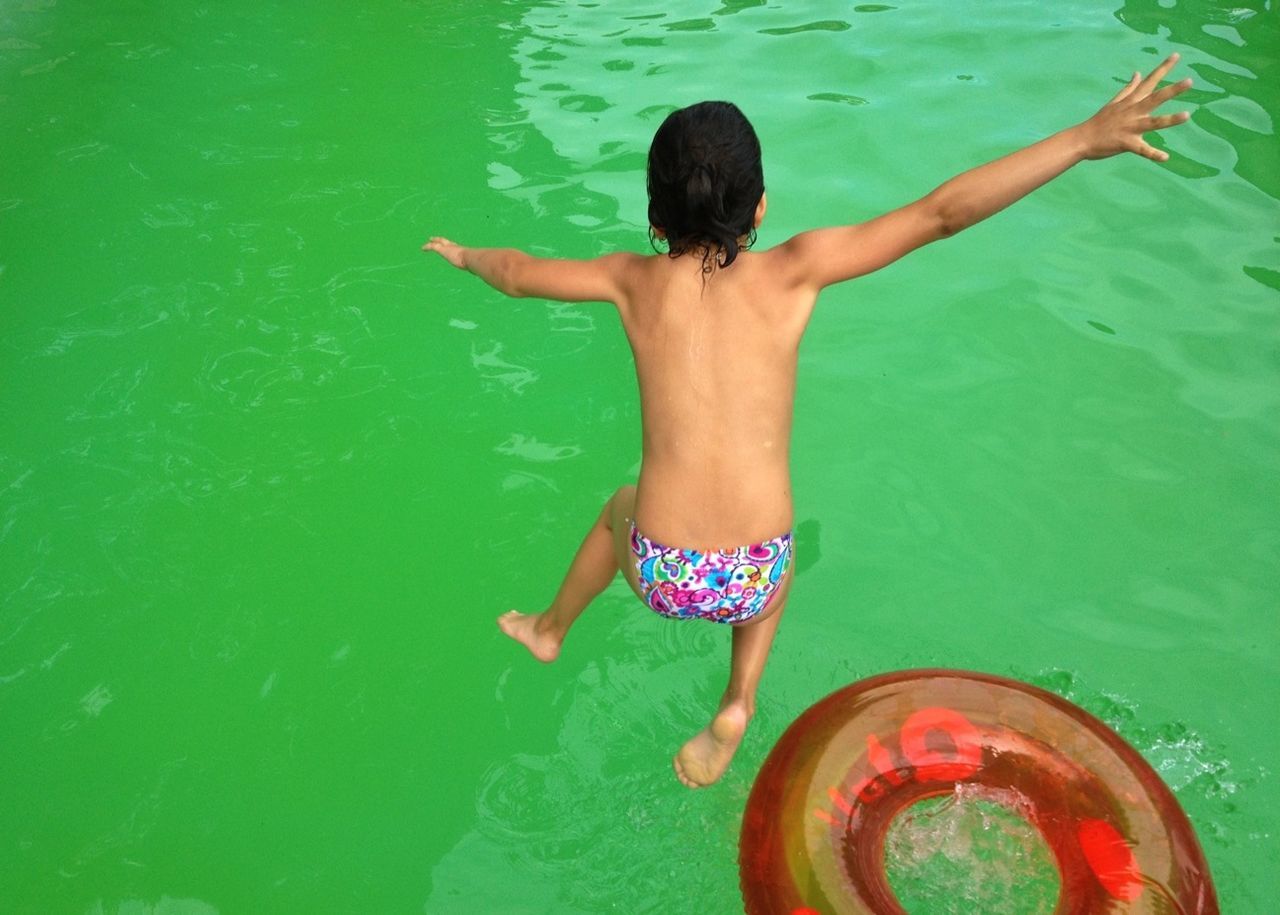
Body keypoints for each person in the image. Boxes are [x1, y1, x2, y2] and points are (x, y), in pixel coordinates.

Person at [423, 55, 1192, 788]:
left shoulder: (628, 280)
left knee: (615, 511)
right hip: (753, 574)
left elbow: (519, 274)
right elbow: (941, 214)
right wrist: (1084, 138)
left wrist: (464, 256)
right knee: (775, 546)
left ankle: (550, 629)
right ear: (760, 204)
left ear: (656, 213)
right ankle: (737, 700)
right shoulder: (799, 270)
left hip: (664, 570)